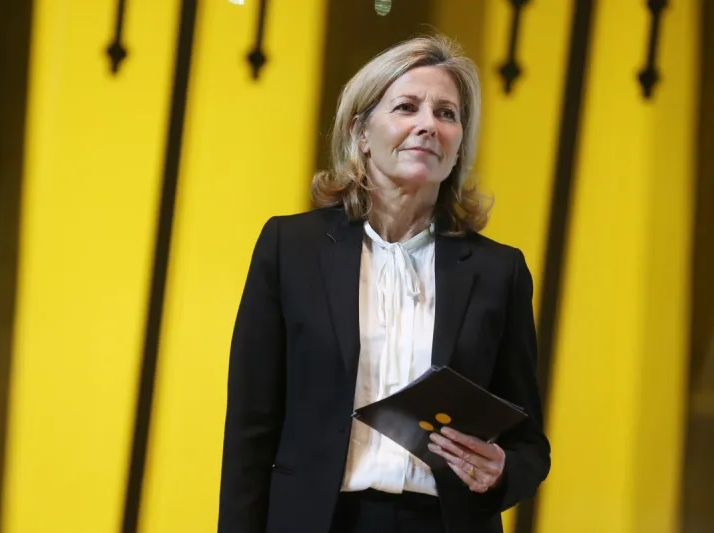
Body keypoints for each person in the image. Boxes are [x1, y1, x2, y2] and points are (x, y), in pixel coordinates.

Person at [217, 34, 550, 533]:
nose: (427, 126)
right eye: (406, 107)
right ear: (361, 132)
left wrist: (503, 470)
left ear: (460, 143)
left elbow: (529, 447)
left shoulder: (499, 272)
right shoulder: (291, 249)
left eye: (446, 113)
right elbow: (249, 430)